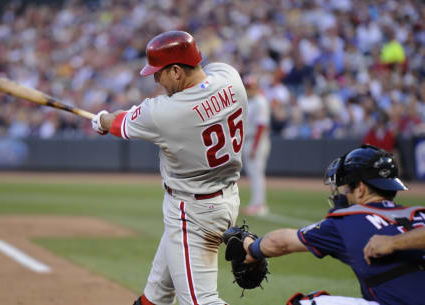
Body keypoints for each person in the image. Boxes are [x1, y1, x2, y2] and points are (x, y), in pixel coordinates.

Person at [91, 31, 248, 305]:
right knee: (157, 294)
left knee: (201, 301)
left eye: (159, 72)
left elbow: (116, 123)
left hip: (192, 212)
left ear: (176, 71)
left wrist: (101, 119)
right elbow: (207, 74)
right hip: (225, 199)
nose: (155, 78)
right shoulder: (231, 78)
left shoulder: (166, 111)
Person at [241, 145, 425, 305]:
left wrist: (252, 248)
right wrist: (399, 242)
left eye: (345, 187)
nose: (343, 193)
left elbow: (280, 242)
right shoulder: (419, 213)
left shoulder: (348, 219)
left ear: (361, 189)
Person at [241, 74, 271, 217]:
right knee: (253, 175)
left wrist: (254, 147)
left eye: (250, 87)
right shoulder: (250, 101)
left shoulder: (260, 101)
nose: (248, 90)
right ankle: (255, 204)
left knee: (257, 174)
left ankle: (260, 205)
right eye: (246, 87)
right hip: (248, 140)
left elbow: (261, 126)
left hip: (256, 141)